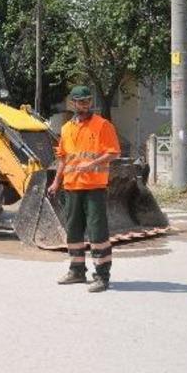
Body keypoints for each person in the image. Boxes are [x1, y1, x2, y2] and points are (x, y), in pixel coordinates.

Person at [48, 85, 121, 293]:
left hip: (94, 187)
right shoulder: (66, 129)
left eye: (88, 101)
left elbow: (113, 152)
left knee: (97, 232)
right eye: (81, 101)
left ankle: (102, 276)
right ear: (72, 103)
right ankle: (77, 270)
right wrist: (56, 182)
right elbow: (63, 159)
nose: (85, 104)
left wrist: (91, 164)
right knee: (73, 230)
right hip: (71, 187)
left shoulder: (102, 125)